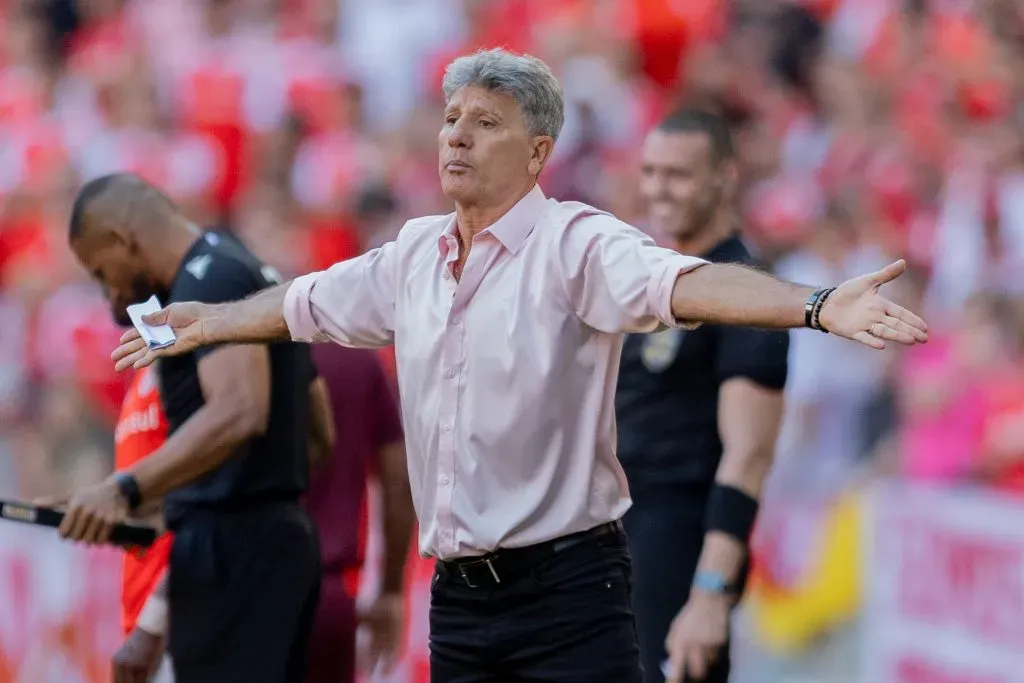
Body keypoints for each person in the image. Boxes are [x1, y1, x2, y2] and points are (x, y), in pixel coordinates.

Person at [110, 48, 928, 683]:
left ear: (538, 152)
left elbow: (691, 280)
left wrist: (818, 304)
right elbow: (302, 303)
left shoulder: (577, 243)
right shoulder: (413, 256)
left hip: (571, 590)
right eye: (451, 118)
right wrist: (210, 319)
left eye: (485, 122)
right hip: (459, 599)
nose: (457, 135)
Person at [47, 174, 334, 683]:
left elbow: (241, 411)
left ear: (121, 238)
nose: (112, 300)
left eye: (100, 273)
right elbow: (318, 430)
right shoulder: (237, 265)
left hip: (236, 557)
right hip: (260, 547)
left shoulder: (207, 280)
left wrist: (126, 489)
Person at [617, 109, 788, 683]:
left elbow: (749, 455)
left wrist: (711, 592)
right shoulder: (661, 276)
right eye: (650, 172)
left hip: (681, 540)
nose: (659, 189)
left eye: (678, 174)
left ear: (724, 176)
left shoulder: (748, 292)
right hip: (623, 529)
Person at [305, 342, 414, 683]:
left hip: (254, 585)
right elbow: (398, 481)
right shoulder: (360, 358)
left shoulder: (248, 349)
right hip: (330, 594)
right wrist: (391, 590)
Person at [109, 364, 175, 683]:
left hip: (179, 629)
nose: (105, 309)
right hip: (143, 627)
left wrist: (153, 623)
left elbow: (218, 500)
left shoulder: (188, 356)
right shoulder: (143, 366)